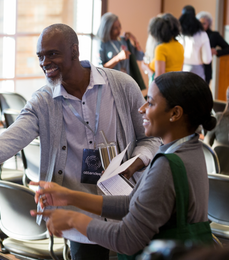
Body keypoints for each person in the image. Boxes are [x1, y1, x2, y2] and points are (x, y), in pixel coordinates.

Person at [0, 23, 161, 260]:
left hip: (128, 208)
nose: (44, 62)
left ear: (74, 51)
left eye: (52, 54)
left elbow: (150, 140)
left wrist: (134, 165)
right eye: (40, 56)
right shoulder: (43, 101)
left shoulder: (122, 85)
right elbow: (13, 136)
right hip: (80, 217)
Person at [32, 71, 216, 257]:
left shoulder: (167, 166)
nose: (141, 109)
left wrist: (73, 219)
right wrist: (70, 197)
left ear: (175, 113)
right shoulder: (191, 148)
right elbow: (133, 203)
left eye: (150, 103)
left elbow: (127, 239)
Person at [196, 11, 229, 85]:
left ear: (209, 23)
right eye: (200, 23)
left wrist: (216, 52)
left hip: (206, 69)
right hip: (195, 66)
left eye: (204, 23)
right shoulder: (194, 35)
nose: (201, 25)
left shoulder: (214, 35)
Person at [178, 5, 212, 80]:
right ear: (195, 15)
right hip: (197, 71)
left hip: (180, 69)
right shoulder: (202, 34)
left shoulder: (178, 33)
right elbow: (207, 60)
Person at [147, 13, 184, 79]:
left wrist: (147, 68)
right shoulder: (180, 46)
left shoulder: (161, 48)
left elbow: (159, 77)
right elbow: (180, 69)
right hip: (176, 83)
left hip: (164, 86)